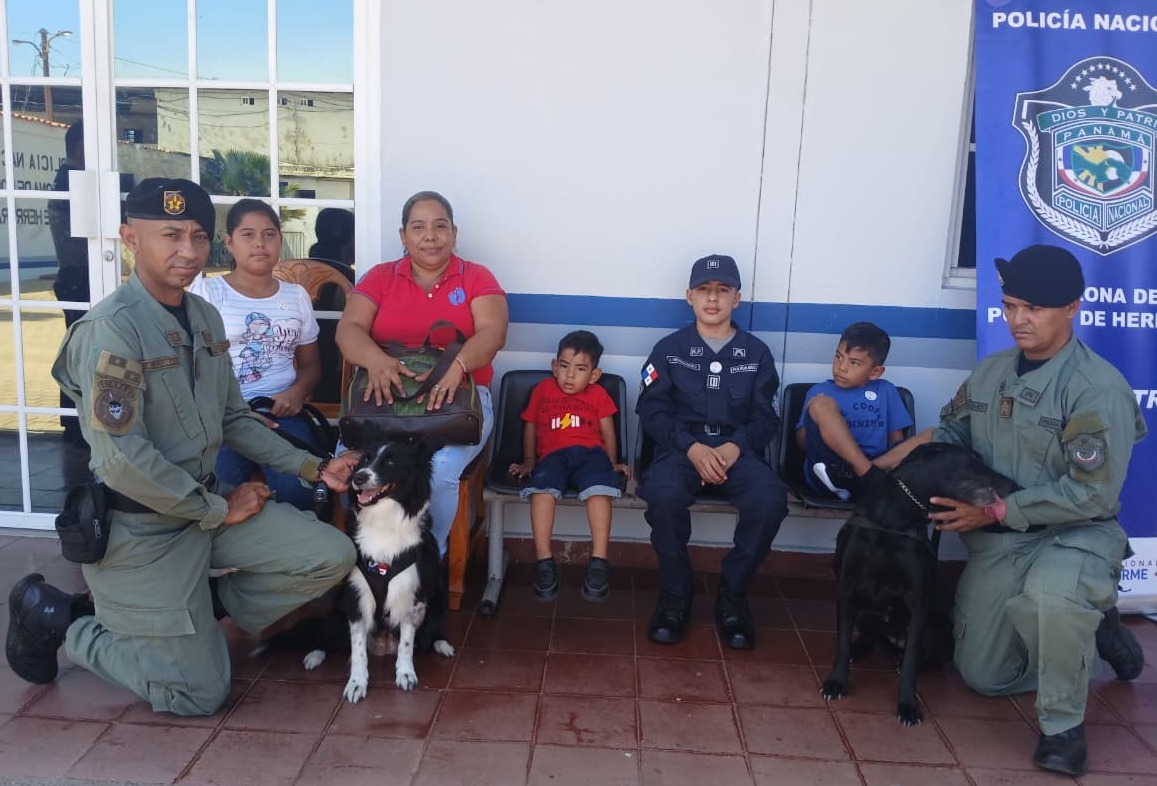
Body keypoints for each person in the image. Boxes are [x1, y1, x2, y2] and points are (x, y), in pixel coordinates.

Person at [5, 178, 358, 716]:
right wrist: (216, 509)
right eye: (170, 235)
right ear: (130, 238)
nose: (188, 251)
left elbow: (234, 418)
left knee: (330, 555)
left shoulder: (203, 317)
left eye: (197, 236)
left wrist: (315, 466)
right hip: (143, 529)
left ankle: (191, 617)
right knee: (197, 694)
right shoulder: (112, 331)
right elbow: (122, 459)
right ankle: (64, 619)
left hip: (208, 510)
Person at [901, 245, 1146, 776]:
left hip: (1075, 535)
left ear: (1072, 308)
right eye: (1010, 306)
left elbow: (1092, 495)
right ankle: (1093, 635)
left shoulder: (1096, 389)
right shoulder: (991, 373)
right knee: (982, 675)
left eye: (1034, 308)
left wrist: (994, 511)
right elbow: (953, 432)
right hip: (1004, 541)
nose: (1018, 320)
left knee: (1051, 599)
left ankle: (1063, 728)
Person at [335, 190, 507, 554]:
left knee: (438, 470)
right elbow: (348, 330)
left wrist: (458, 365)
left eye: (440, 226)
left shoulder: (476, 277)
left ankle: (425, 559)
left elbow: (493, 332)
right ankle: (368, 557)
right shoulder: (380, 277)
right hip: (383, 403)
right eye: (418, 227)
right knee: (351, 465)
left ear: (454, 233)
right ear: (403, 235)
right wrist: (376, 360)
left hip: (455, 405)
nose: (430, 236)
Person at [635, 254, 789, 650]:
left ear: (737, 298)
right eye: (704, 289)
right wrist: (692, 448)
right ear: (690, 296)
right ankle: (676, 595)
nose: (713, 298)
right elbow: (652, 411)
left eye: (723, 290)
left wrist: (737, 446)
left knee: (770, 500)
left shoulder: (756, 353)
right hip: (682, 450)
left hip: (739, 451)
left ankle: (732, 596)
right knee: (663, 495)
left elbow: (767, 417)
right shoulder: (669, 350)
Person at [189, 199, 324, 511]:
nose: (260, 244)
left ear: (280, 240)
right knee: (219, 484)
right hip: (224, 417)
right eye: (248, 235)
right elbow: (191, 368)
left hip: (282, 414)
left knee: (300, 487)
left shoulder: (296, 296)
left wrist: (296, 393)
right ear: (229, 243)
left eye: (269, 234)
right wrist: (231, 411)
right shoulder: (208, 294)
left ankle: (290, 541)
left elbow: (312, 365)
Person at [508, 330, 631, 602]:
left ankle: (599, 562)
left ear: (594, 375)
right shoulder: (542, 390)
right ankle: (544, 562)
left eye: (580, 369)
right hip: (553, 457)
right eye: (564, 366)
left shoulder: (598, 394)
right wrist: (529, 461)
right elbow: (530, 427)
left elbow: (608, 432)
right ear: (554, 366)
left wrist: (612, 463)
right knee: (541, 490)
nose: (570, 375)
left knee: (600, 490)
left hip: (591, 455)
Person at [795, 321, 912, 501]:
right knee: (821, 404)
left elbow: (897, 442)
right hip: (829, 470)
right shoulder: (820, 392)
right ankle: (865, 473)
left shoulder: (886, 391)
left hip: (877, 466)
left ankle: (865, 473)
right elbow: (803, 443)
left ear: (875, 372)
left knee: (932, 435)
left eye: (854, 363)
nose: (841, 367)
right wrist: (817, 418)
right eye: (838, 357)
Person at [48, 120, 88, 447]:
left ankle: (75, 420)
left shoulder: (69, 179)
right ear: (80, 148)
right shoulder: (72, 181)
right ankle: (75, 421)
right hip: (77, 276)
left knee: (80, 350)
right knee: (79, 352)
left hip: (77, 275)